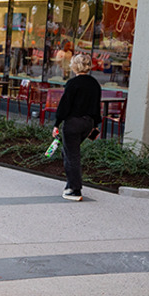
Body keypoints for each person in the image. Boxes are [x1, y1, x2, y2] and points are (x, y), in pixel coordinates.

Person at [52, 53, 102, 201]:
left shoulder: (73, 83)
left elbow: (64, 106)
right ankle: (70, 184)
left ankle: (75, 189)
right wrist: (96, 125)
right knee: (68, 152)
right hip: (88, 123)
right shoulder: (94, 84)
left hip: (73, 123)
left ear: (75, 66)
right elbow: (96, 106)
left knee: (72, 155)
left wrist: (56, 123)